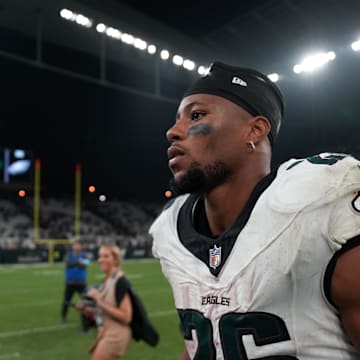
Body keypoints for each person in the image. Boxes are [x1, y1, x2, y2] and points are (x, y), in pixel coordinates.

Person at [149, 61, 360, 359]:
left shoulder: (317, 203)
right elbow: (205, 341)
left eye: (196, 115)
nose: (173, 131)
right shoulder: (171, 228)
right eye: (177, 119)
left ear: (255, 130)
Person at [77, 244, 133, 360]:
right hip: (106, 332)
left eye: (106, 256)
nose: (101, 260)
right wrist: (87, 309)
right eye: (100, 256)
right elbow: (106, 309)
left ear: (116, 259)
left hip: (116, 336)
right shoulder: (108, 279)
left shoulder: (120, 281)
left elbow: (126, 316)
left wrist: (99, 300)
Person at [61, 240, 91, 331]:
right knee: (66, 300)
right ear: (73, 246)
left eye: (78, 245)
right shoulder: (68, 255)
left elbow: (86, 265)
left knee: (86, 301)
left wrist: (78, 263)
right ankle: (63, 317)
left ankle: (88, 320)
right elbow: (68, 264)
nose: (76, 246)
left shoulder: (84, 255)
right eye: (75, 245)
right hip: (70, 282)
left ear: (81, 247)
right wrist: (79, 262)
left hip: (81, 282)